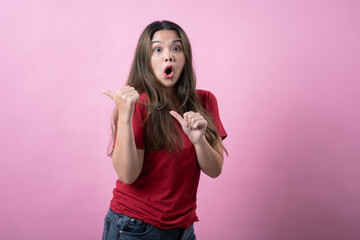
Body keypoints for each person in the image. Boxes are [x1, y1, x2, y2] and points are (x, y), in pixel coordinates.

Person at [101, 20, 228, 240]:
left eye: (176, 48)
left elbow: (215, 169)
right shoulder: (138, 104)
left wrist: (199, 141)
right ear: (146, 61)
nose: (168, 56)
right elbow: (127, 175)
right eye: (157, 49)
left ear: (185, 57)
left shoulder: (205, 101)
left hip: (183, 230)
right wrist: (124, 115)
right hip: (135, 227)